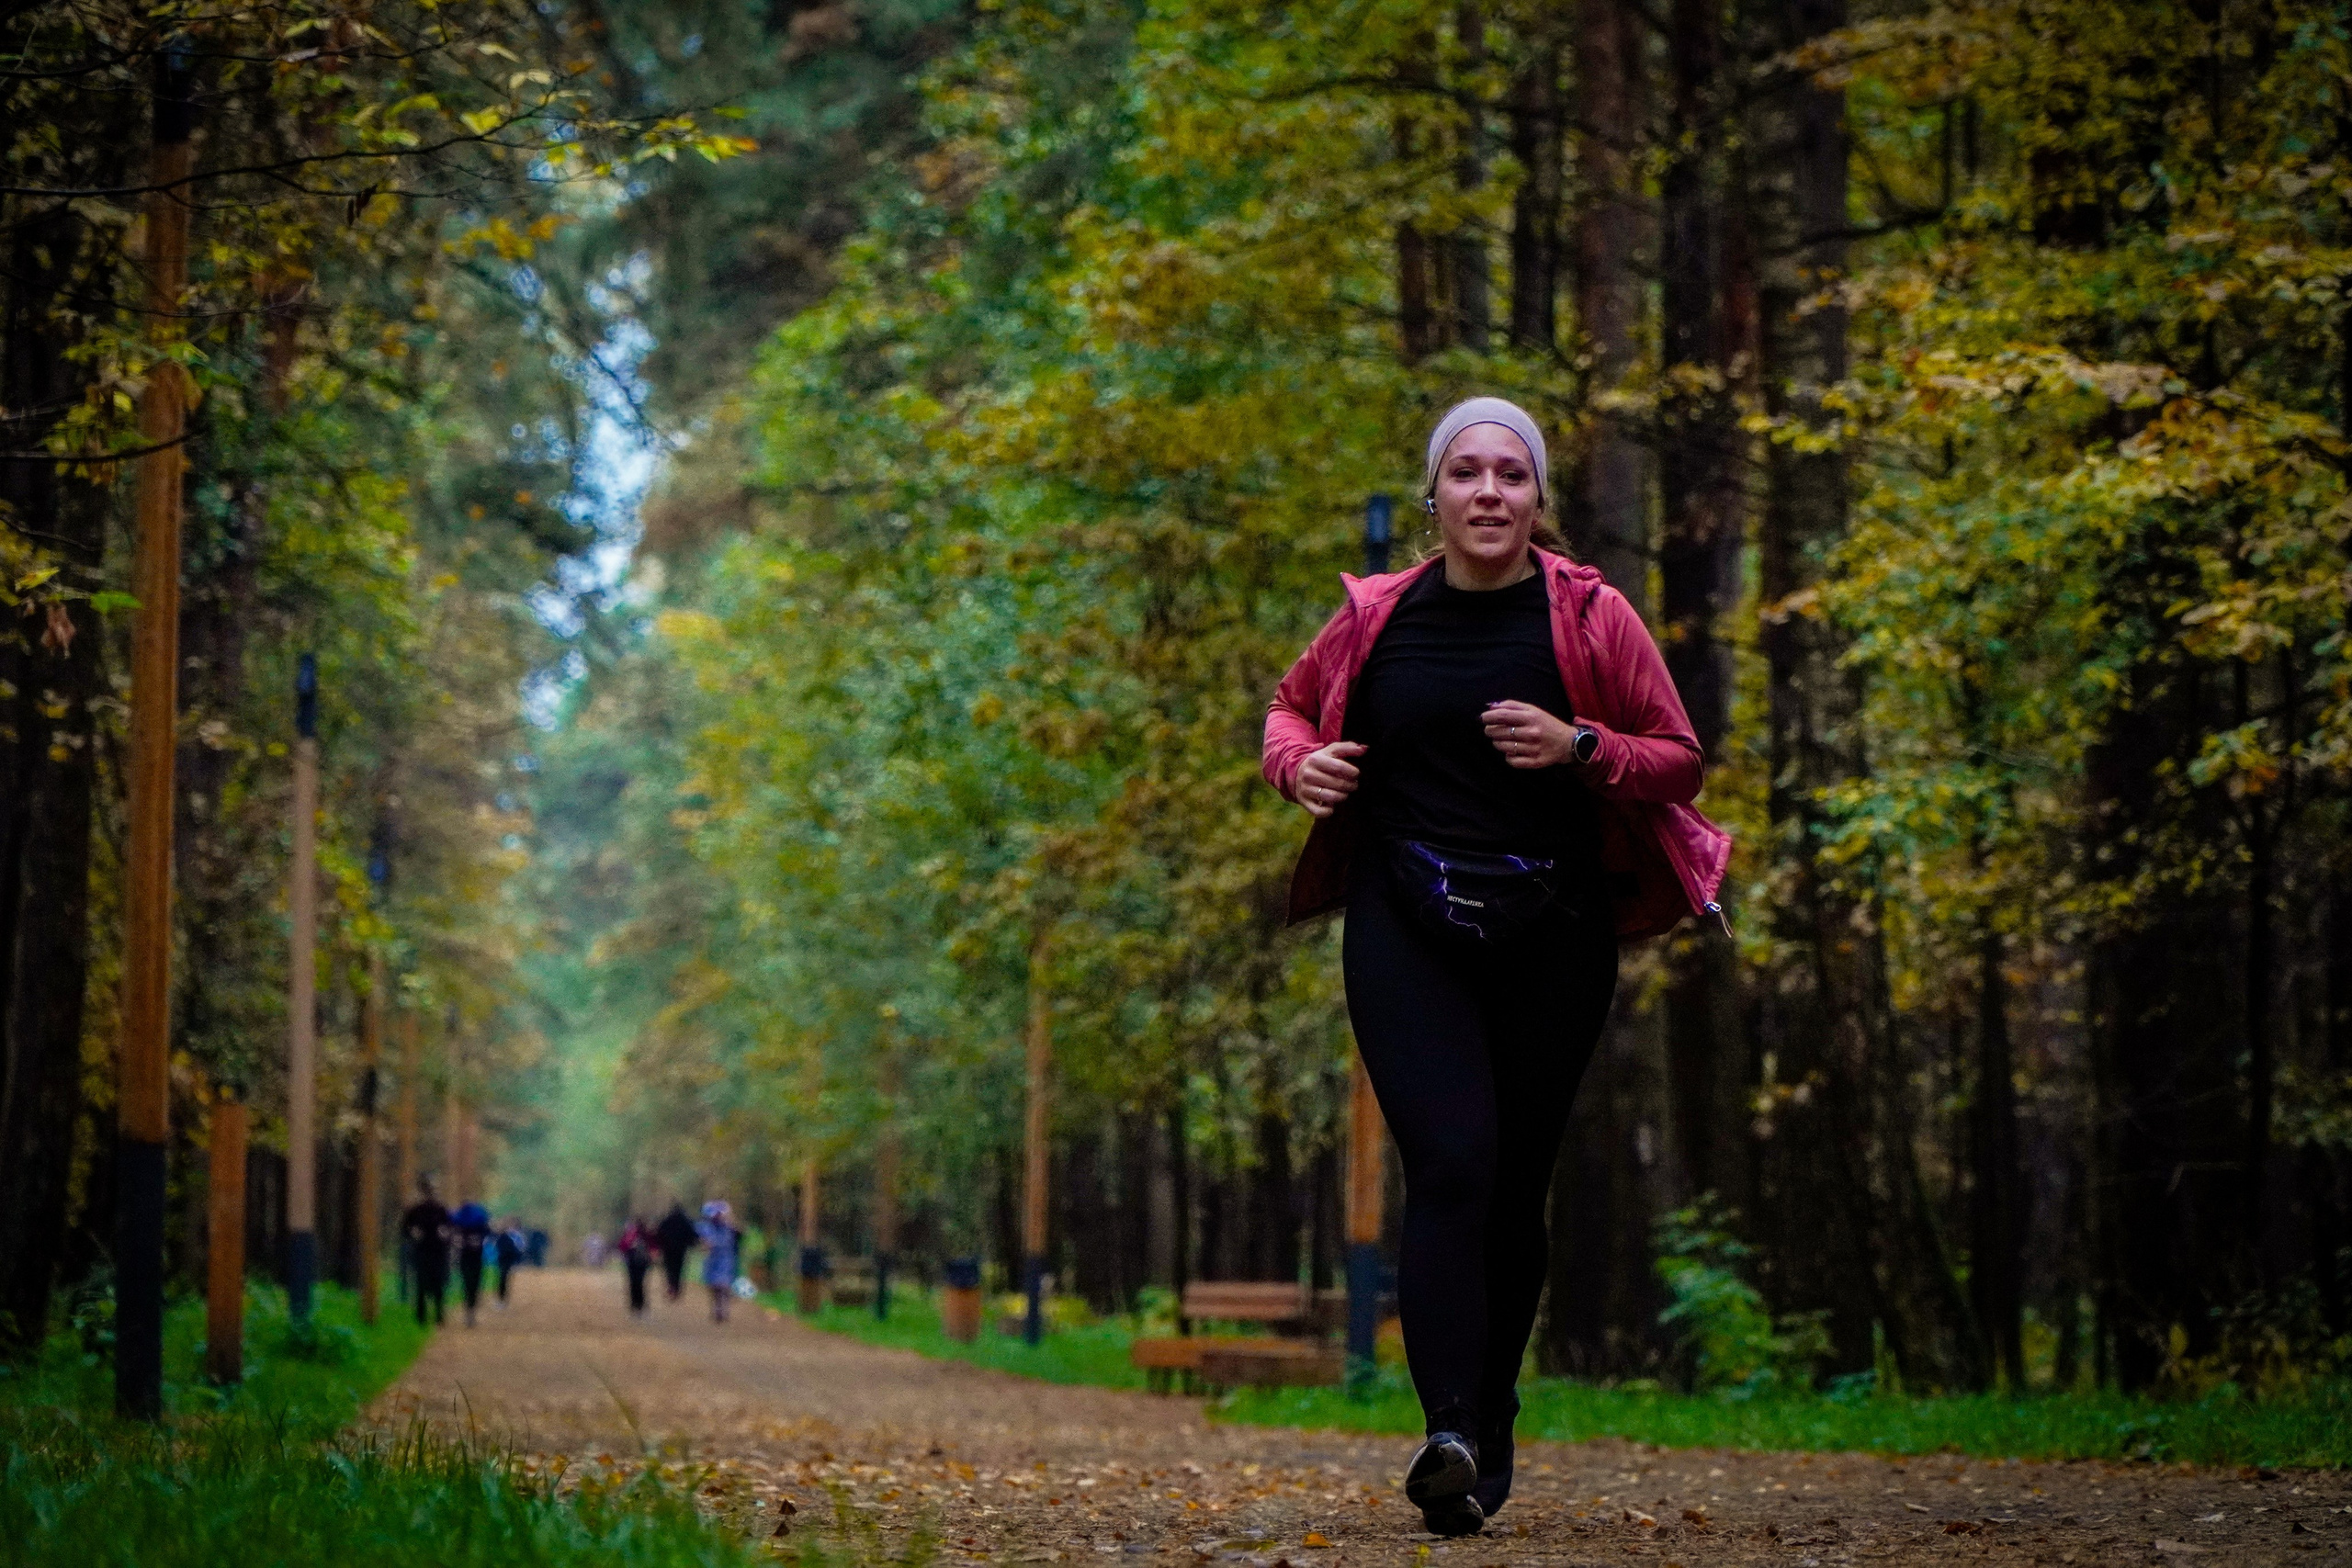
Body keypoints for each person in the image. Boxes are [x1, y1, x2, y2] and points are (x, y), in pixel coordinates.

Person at [1262, 399, 1728, 1537]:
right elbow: (1285, 711)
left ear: (1536, 499)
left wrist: (1580, 746)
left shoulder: (1590, 615)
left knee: (1516, 1183)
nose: (1486, 492)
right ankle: (1448, 1430)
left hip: (1551, 923)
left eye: (1509, 475)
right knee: (1455, 1161)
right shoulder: (1379, 616)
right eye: (1464, 472)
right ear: (1433, 495)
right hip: (1403, 916)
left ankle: (1495, 1417)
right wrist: (1299, 769)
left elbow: (1679, 762)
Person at [399, 1176, 451, 1327]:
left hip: (438, 1252)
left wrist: (445, 1235)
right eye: (428, 1191)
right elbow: (404, 1229)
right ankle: (421, 1315)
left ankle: (439, 1314)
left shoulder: (441, 1209)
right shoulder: (415, 1210)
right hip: (421, 1251)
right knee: (421, 1283)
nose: (430, 1194)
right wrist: (413, 1234)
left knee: (438, 1283)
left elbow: (450, 1229)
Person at [450, 1197, 492, 1326]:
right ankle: (471, 1310)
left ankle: (469, 1310)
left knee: (467, 1283)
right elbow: (488, 1234)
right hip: (475, 1256)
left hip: (465, 1256)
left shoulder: (457, 1218)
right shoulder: (480, 1219)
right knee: (473, 1283)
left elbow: (453, 1233)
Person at [697, 1201, 739, 1324]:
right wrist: (705, 1244)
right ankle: (716, 1308)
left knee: (723, 1285)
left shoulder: (730, 1227)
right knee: (714, 1286)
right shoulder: (705, 1226)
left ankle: (722, 1309)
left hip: (726, 1258)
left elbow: (737, 1237)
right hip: (712, 1259)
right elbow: (703, 1240)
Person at [653, 1203, 697, 1303]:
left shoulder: (667, 1220)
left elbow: (659, 1233)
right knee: (679, 1270)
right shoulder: (686, 1221)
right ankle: (676, 1288)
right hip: (681, 1250)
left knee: (669, 1269)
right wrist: (693, 1243)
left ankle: (671, 1286)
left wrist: (658, 1246)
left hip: (668, 1250)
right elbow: (692, 1234)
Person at [617, 1215, 654, 1315]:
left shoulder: (631, 1234)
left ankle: (635, 1304)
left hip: (632, 1262)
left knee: (634, 1283)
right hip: (642, 1263)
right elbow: (653, 1247)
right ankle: (640, 1304)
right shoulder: (647, 1234)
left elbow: (622, 1246)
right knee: (640, 1283)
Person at [493, 1219, 526, 1308]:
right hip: (502, 1262)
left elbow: (516, 1250)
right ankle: (501, 1299)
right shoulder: (500, 1238)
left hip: (506, 1262)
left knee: (503, 1280)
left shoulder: (508, 1238)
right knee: (502, 1280)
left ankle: (501, 1300)